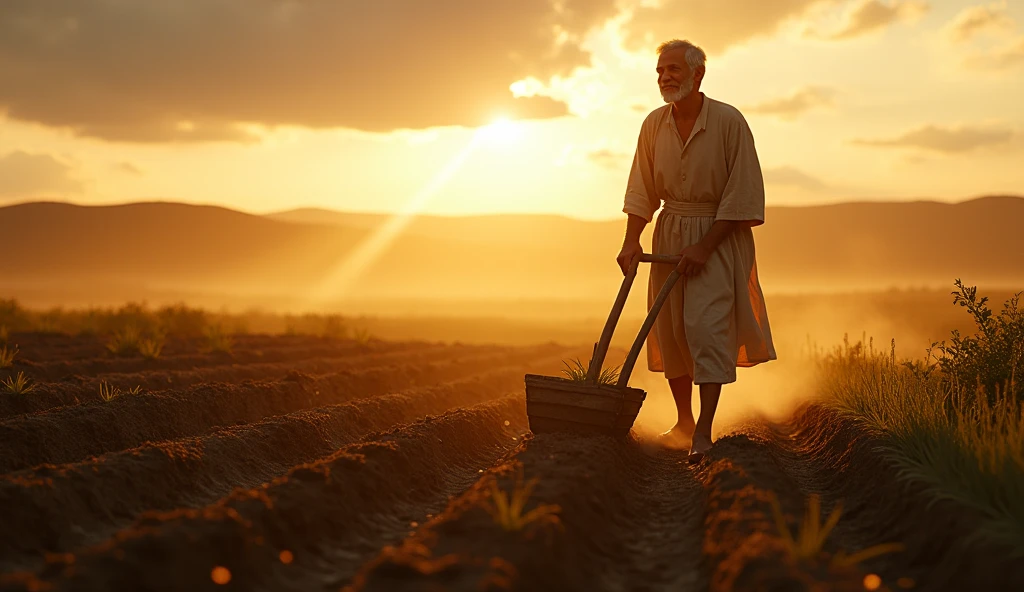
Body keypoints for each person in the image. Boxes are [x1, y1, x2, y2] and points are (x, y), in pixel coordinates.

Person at [616, 39, 777, 462]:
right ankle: (684, 420)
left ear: (697, 74)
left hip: (717, 237)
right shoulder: (653, 125)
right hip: (669, 233)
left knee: (706, 328)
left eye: (673, 69)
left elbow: (742, 193)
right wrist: (631, 241)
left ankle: (704, 430)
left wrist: (705, 246)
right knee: (672, 331)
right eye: (660, 71)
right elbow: (641, 187)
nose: (665, 77)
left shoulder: (729, 121)